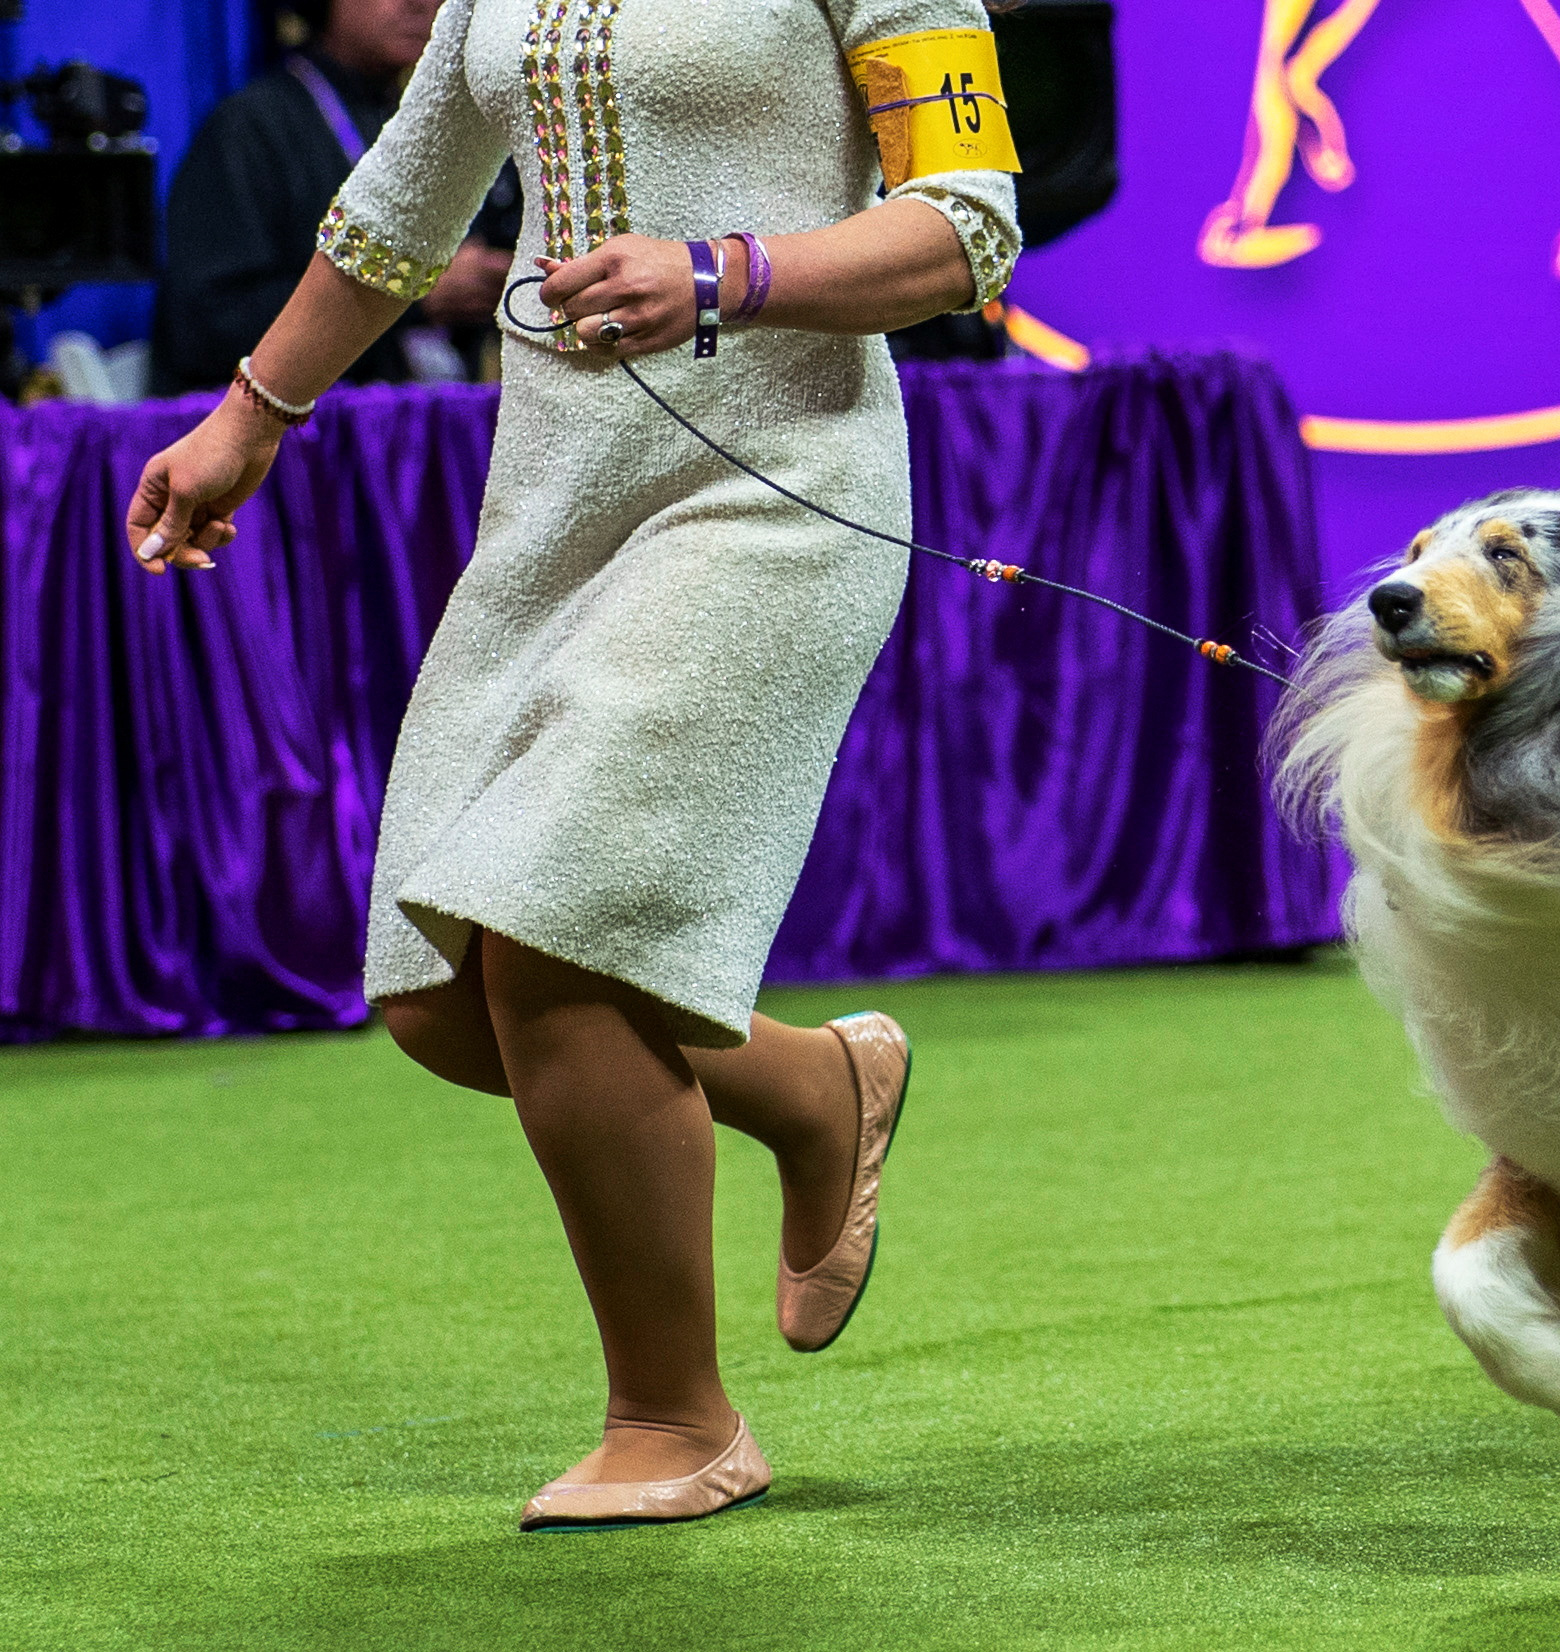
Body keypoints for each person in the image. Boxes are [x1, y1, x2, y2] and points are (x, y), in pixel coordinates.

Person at [122, 0, 1019, 1531]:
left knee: (545, 940)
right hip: (547, 508)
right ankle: (812, 1085)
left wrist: (726, 270)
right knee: (435, 989)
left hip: (780, 493)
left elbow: (967, 231)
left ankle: (675, 1421)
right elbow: (396, 209)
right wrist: (246, 421)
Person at [150, 0, 520, 393]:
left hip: (431, 419)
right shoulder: (248, 129)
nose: (420, 4)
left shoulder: (444, 124)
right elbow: (208, 326)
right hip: (309, 433)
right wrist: (412, 300)